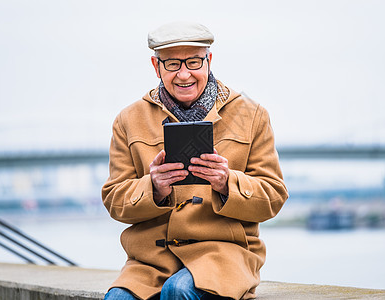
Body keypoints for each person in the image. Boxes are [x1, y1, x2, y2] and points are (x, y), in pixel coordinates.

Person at [102, 21, 288, 300]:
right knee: (117, 298)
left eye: (193, 62)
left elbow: (274, 195)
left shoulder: (252, 115)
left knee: (179, 291)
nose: (184, 74)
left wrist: (228, 183)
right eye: (173, 64)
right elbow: (114, 200)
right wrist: (152, 188)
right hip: (151, 263)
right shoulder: (128, 120)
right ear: (156, 67)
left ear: (209, 61)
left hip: (225, 254)